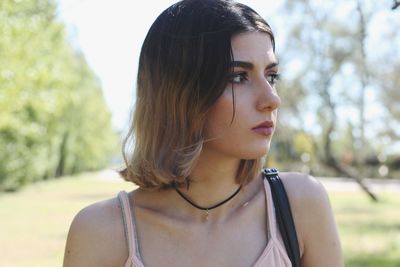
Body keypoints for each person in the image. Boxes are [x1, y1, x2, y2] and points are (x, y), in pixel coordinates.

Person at [63, 0, 344, 266]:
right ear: (180, 94)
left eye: (271, 76)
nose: (271, 99)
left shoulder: (299, 206)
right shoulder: (103, 232)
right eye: (238, 77)